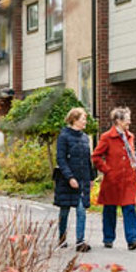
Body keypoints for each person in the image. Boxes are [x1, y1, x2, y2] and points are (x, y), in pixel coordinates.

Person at [92, 106, 136, 250]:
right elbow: (95, 157)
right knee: (110, 209)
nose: (130, 122)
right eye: (127, 119)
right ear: (118, 121)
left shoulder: (130, 136)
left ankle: (132, 239)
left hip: (128, 179)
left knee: (130, 208)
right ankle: (108, 238)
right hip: (112, 180)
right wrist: (107, 171)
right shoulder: (107, 137)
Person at [54, 107, 94, 252]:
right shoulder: (64, 136)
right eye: (83, 119)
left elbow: (87, 159)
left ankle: (80, 242)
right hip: (66, 180)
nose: (85, 122)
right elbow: (61, 159)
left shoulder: (84, 138)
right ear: (75, 120)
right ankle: (62, 237)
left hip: (82, 180)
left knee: (81, 210)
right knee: (64, 210)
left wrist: (91, 177)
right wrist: (69, 177)